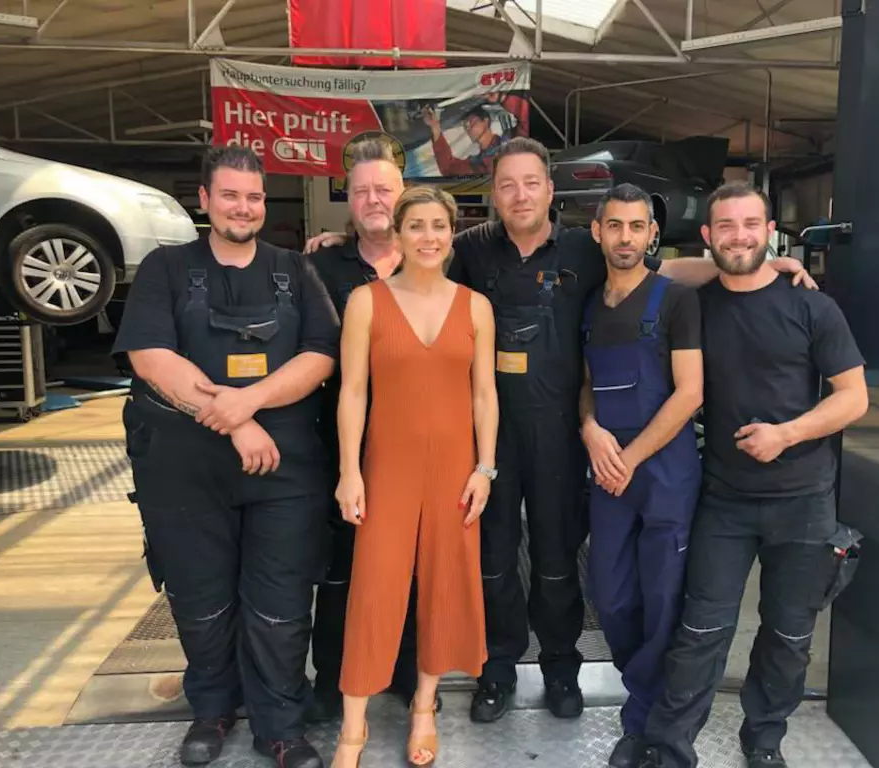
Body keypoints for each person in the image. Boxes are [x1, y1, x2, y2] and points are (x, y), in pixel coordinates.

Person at [304, 139, 817, 724]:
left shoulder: (583, 246)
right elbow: (415, 262)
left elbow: (661, 269)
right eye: (506, 185)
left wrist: (760, 265)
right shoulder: (470, 249)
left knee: (556, 559)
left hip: (561, 433)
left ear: (550, 190)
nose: (519, 195)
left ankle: (559, 667)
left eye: (531, 183)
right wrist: (342, 242)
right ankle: (496, 671)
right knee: (494, 560)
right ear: (493, 195)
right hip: (486, 436)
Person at [113, 146, 340, 768]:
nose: (244, 207)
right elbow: (151, 357)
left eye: (254, 196)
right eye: (231, 195)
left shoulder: (294, 270)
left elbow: (321, 354)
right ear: (205, 200)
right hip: (185, 471)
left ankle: (280, 726)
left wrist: (251, 402)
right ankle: (211, 711)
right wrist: (235, 421)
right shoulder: (165, 268)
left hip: (285, 472)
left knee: (280, 605)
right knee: (201, 599)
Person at [637, 181, 869, 768]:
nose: (738, 236)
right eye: (726, 226)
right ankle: (669, 747)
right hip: (725, 501)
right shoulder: (696, 304)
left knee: (789, 638)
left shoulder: (812, 306)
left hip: (804, 501)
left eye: (750, 225)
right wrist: (741, 260)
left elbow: (854, 397)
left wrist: (786, 434)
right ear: (708, 235)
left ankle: (763, 741)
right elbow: (657, 266)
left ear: (770, 231)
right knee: (700, 630)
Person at [330, 185, 498, 768]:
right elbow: (352, 391)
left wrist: (485, 468)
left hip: (455, 470)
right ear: (397, 235)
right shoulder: (365, 302)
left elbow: (484, 394)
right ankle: (352, 727)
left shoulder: (475, 307)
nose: (429, 236)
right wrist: (349, 471)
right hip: (387, 469)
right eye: (417, 226)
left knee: (445, 585)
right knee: (374, 589)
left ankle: (425, 705)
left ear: (452, 234)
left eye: (439, 226)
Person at [306, 138, 436, 721]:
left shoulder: (434, 259)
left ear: (403, 194)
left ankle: (404, 672)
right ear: (348, 200)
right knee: (342, 567)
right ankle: (333, 678)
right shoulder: (318, 267)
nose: (373, 200)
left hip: (417, 442)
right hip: (341, 443)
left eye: (384, 189)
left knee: (410, 564)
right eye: (361, 192)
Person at [579, 183, 704, 768]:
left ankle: (648, 724)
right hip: (608, 473)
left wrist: (629, 459)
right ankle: (645, 697)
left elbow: (690, 393)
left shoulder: (675, 300)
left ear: (653, 234)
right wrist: (588, 428)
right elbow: (585, 385)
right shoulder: (588, 306)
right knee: (610, 595)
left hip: (664, 475)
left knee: (663, 598)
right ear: (597, 232)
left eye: (637, 226)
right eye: (615, 225)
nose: (625, 237)